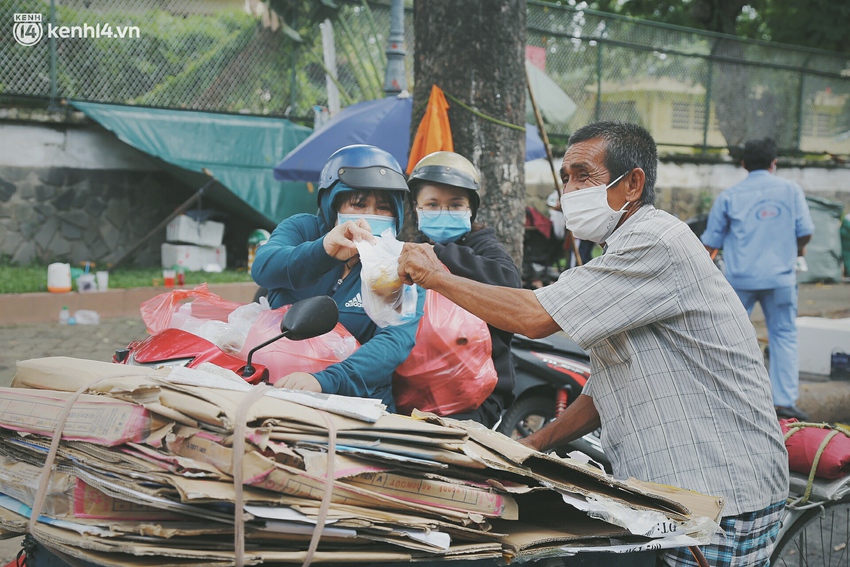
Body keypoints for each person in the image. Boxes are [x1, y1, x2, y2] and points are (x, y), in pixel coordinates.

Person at [398, 121, 788, 566]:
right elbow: (606, 387)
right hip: (673, 495)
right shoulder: (621, 251)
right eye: (565, 178)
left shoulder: (655, 240)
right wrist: (533, 446)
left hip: (721, 494)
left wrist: (436, 278)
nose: (569, 190)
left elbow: (535, 317)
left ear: (633, 184)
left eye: (584, 175)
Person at [251, 144, 424, 412]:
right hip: (268, 386)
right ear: (332, 203)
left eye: (383, 207)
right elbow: (264, 266)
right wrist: (324, 250)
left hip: (353, 405)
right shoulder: (303, 229)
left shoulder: (401, 264)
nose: (371, 216)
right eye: (359, 204)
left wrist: (324, 381)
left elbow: (393, 342)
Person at [701, 138, 814, 421]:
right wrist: (797, 248)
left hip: (741, 279)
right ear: (774, 163)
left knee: (729, 338)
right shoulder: (791, 190)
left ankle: (726, 397)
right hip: (781, 278)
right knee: (784, 334)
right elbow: (805, 231)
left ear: (743, 164)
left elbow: (711, 242)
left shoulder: (730, 196)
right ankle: (783, 402)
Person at [407, 151, 522, 428]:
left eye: (455, 205)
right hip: (413, 391)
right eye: (432, 205)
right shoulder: (409, 250)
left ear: (471, 210)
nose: (443, 212)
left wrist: (438, 254)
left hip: (475, 397)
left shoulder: (484, 247)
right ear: (416, 208)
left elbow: (509, 283)